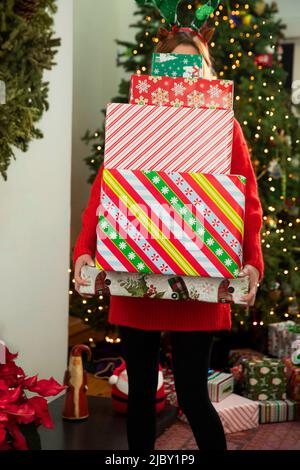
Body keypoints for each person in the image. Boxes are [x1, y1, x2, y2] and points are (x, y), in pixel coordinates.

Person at [73, 28, 264, 451]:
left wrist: (252, 260)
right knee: (140, 391)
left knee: (194, 396)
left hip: (200, 279)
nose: (187, 78)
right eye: (177, 67)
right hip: (135, 275)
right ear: (161, 72)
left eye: (195, 68)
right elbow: (105, 192)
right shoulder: (135, 122)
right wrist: (85, 250)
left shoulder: (223, 126)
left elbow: (247, 199)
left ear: (207, 73)